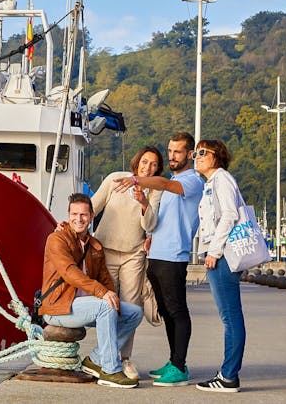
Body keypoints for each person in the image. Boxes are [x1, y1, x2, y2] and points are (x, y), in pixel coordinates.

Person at [113, 131, 204, 387]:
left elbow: (163, 185)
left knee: (177, 310)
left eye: (177, 151)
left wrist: (136, 179)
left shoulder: (192, 181)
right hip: (156, 254)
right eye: (170, 150)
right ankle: (173, 361)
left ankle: (180, 366)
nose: (172, 156)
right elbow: (159, 218)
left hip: (174, 256)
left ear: (190, 154)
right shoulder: (174, 179)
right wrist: (151, 235)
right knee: (165, 310)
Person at [40, 193, 143, 388]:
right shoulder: (57, 239)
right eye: (74, 214)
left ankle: (95, 360)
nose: (78, 219)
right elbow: (69, 272)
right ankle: (110, 370)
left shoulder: (95, 246)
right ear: (68, 215)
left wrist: (111, 297)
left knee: (134, 313)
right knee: (105, 305)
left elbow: (105, 280)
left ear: (92, 216)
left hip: (86, 307)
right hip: (59, 306)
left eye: (83, 215)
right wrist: (102, 293)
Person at [89, 146, 164, 380]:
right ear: (137, 162)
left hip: (133, 254)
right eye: (144, 161)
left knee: (132, 308)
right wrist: (72, 227)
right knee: (108, 306)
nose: (148, 167)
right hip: (106, 251)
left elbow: (150, 225)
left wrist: (144, 202)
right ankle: (104, 358)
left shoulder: (156, 190)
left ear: (158, 168)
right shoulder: (115, 179)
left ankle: (124, 358)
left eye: (153, 164)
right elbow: (93, 206)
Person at [193, 139, 246, 392]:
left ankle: (228, 376)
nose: (197, 156)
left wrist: (213, 251)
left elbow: (230, 214)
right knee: (230, 316)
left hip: (223, 255)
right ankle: (227, 372)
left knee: (230, 317)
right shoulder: (211, 183)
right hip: (219, 254)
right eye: (195, 153)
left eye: (202, 152)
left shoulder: (222, 179)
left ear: (217, 156)